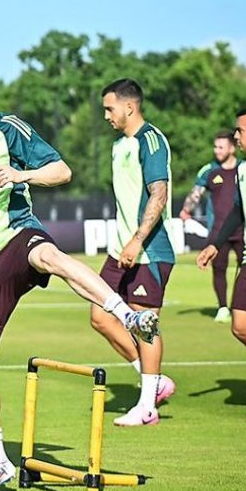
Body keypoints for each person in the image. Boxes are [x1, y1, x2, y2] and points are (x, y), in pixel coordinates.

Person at [0, 63, 160, 491]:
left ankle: (124, 314)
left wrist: (21, 175)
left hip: (15, 232)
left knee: (49, 255)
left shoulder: (5, 128)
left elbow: (61, 171)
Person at [93, 79, 176, 427]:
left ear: (129, 107)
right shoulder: (117, 145)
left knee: (146, 326)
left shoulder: (151, 140)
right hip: (120, 250)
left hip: (149, 250)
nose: (107, 116)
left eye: (110, 109)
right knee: (100, 316)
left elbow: (159, 193)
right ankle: (153, 379)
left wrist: (138, 239)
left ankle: (146, 407)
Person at [197, 106, 246, 420]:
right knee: (241, 326)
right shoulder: (244, 170)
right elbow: (238, 212)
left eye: (241, 131)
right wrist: (214, 246)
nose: (236, 136)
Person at [182, 129, 244, 322]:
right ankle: (223, 307)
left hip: (245, 230)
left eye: (221, 147)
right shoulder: (209, 170)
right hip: (218, 232)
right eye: (215, 146)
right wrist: (186, 210)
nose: (216, 150)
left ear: (232, 148)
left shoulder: (245, 168)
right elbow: (196, 192)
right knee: (219, 269)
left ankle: (242, 306)